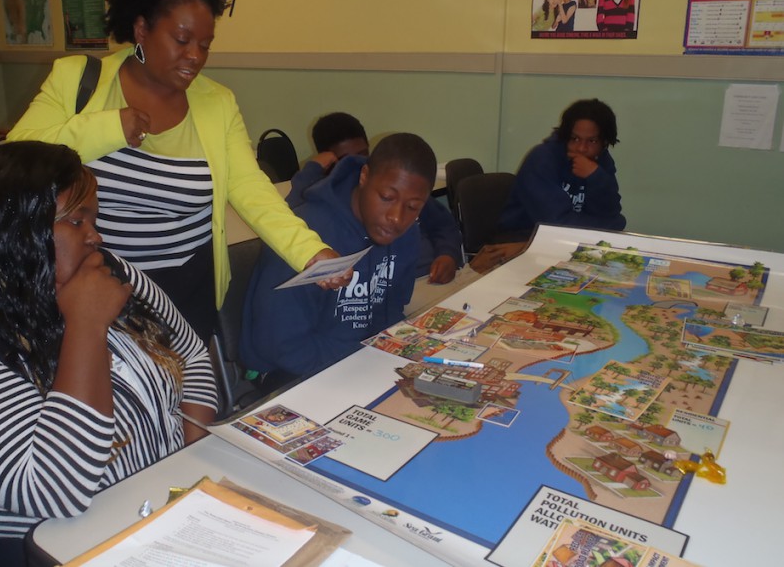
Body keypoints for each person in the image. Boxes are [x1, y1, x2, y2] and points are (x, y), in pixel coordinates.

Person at [7, 0, 344, 343]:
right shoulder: (78, 80)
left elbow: (251, 188)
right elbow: (13, 162)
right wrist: (111, 128)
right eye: (182, 39)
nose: (195, 57)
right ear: (141, 29)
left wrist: (309, 251)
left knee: (190, 400)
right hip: (95, 286)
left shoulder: (217, 103)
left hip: (187, 291)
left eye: (205, 44)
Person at [0, 142, 218, 566]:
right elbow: (54, 489)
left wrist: (185, 467)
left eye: (94, 218)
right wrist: (87, 325)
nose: (96, 236)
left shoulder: (107, 269)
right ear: (13, 232)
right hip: (31, 547)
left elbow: (192, 354)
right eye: (76, 220)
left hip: (150, 511)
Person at [241, 133, 437, 392]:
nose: (396, 218)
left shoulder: (405, 234)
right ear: (364, 176)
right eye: (387, 197)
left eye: (412, 207)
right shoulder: (304, 236)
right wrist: (357, 365)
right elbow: (280, 343)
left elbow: (391, 310)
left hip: (358, 360)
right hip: (288, 372)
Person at [287, 112, 463, 284]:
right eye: (345, 159)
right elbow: (290, 218)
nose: (356, 162)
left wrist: (448, 253)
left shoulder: (403, 187)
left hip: (420, 283)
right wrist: (312, 168)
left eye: (363, 154)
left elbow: (444, 225)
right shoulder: (321, 203)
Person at [471, 99, 625, 274]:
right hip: (520, 238)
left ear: (604, 142)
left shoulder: (600, 163)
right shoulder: (542, 159)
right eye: (575, 139)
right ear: (565, 135)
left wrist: (595, 177)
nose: (582, 148)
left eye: (592, 141)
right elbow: (555, 224)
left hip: (566, 241)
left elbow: (612, 215)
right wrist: (603, 227)